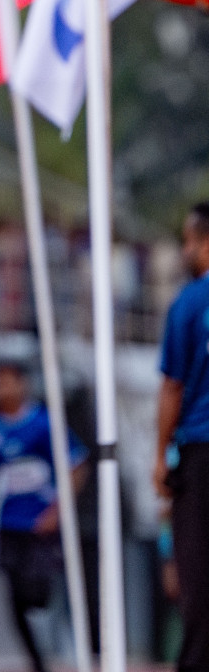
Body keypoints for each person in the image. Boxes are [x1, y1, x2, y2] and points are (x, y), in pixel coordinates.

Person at [0, 364, 86, 672]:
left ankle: (64, 639)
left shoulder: (44, 425)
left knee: (37, 591)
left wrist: (57, 511)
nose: (0, 390)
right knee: (14, 599)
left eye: (6, 383)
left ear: (22, 385)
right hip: (9, 525)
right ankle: (37, 661)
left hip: (40, 525)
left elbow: (77, 465)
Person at [155, 201, 209, 672]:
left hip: (201, 451)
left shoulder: (190, 303)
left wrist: (159, 456)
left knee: (197, 575)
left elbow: (172, 386)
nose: (186, 251)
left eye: (190, 241)